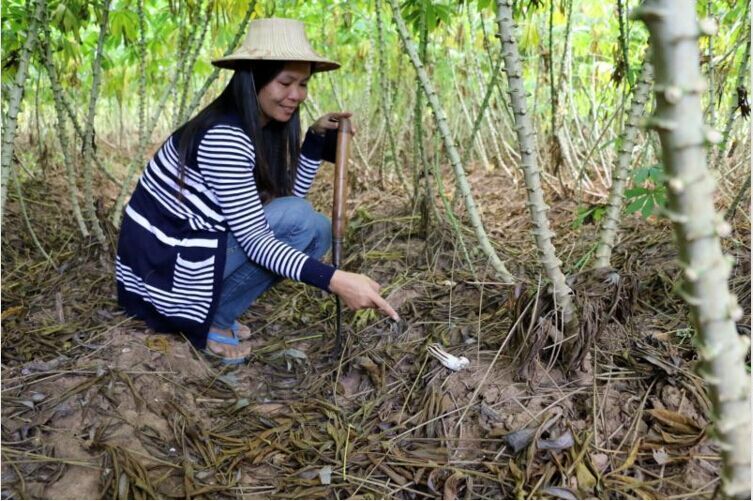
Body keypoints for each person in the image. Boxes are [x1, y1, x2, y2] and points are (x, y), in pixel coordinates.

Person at [116, 18, 398, 364]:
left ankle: (217, 311)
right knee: (299, 220)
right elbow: (256, 238)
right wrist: (335, 280)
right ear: (254, 79)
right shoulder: (225, 135)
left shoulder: (258, 127)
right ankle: (206, 321)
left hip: (186, 253)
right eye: (285, 82)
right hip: (160, 275)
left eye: (303, 84)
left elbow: (289, 199)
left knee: (316, 228)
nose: (296, 95)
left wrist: (312, 142)